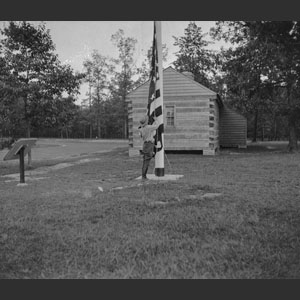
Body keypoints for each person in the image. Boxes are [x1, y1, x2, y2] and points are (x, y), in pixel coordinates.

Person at [138, 115, 159, 180]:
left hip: (145, 145)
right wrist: (156, 120)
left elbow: (141, 135)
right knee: (146, 161)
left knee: (145, 160)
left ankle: (144, 176)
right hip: (149, 144)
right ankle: (143, 176)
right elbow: (156, 126)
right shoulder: (148, 127)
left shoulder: (140, 129)